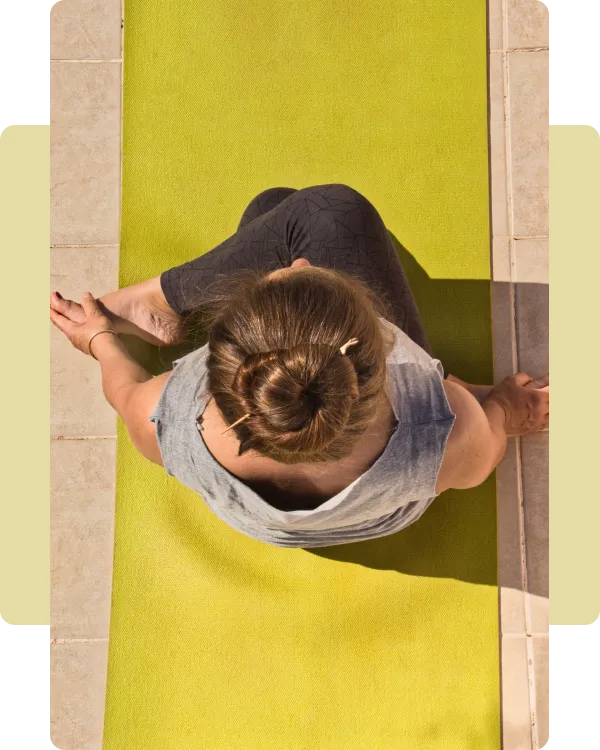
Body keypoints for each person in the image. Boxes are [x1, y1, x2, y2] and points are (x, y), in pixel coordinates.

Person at [50, 184, 549, 547]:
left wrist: (97, 340)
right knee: (314, 213)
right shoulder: (446, 426)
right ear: (385, 349)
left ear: (217, 365)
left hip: (266, 525)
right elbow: (486, 455)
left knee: (271, 209)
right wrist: (503, 408)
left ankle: (166, 308)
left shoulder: (164, 415)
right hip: (377, 510)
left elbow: (122, 385)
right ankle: (447, 371)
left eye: (283, 278)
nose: (300, 264)